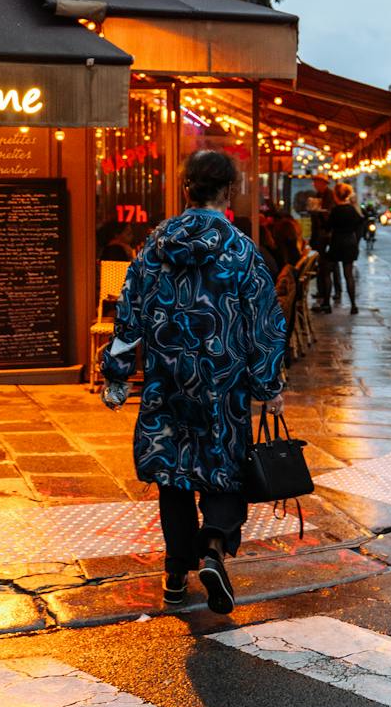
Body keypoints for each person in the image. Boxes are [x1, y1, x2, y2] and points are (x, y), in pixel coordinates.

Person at [101, 149, 286, 615]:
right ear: (230, 191)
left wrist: (117, 375)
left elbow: (129, 311)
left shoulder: (154, 245)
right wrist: (268, 385)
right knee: (224, 470)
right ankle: (213, 549)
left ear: (186, 189)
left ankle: (175, 575)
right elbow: (263, 323)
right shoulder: (241, 251)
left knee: (173, 476)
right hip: (223, 385)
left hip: (168, 383)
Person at [327, 181, 366, 313]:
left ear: (336, 196)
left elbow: (327, 227)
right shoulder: (352, 210)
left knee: (328, 271)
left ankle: (327, 304)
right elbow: (360, 224)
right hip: (350, 243)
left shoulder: (335, 211)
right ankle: (353, 305)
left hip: (336, 242)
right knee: (349, 274)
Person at [308, 174, 335, 311]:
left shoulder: (329, 196)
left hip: (326, 237)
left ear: (324, 183)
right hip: (318, 235)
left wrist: (320, 212)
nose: (315, 184)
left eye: (317, 182)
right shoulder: (318, 195)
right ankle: (322, 295)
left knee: (325, 269)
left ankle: (326, 300)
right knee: (321, 267)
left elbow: (329, 216)